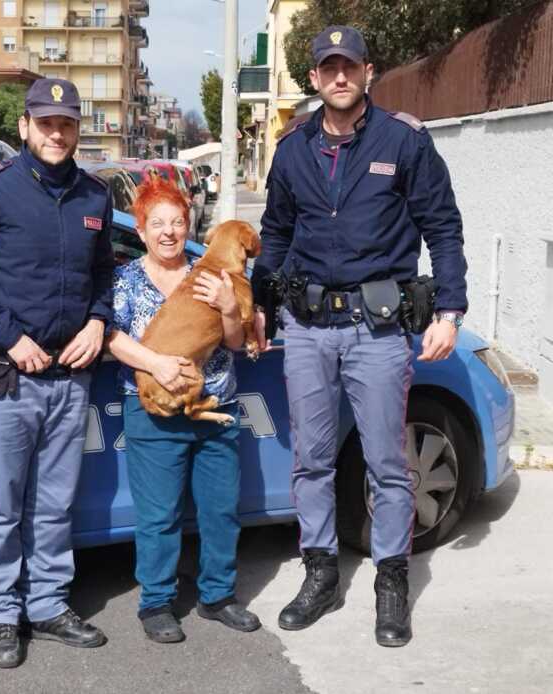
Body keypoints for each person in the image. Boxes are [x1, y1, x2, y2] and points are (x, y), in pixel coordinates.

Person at [251, 25, 468, 647]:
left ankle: (390, 583)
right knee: (312, 460)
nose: (339, 76)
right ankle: (320, 572)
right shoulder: (292, 150)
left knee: (387, 465)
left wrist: (449, 310)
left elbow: (443, 229)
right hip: (309, 328)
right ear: (315, 78)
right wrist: (262, 304)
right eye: (328, 68)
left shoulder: (404, 142)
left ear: (367, 72)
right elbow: (276, 235)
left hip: (377, 332)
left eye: (349, 66)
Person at [0, 78, 115, 669]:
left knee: (56, 504)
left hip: (71, 377)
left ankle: (47, 603)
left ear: (77, 129)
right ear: (25, 128)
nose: (56, 133)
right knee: (3, 506)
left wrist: (97, 320)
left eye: (66, 123)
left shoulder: (95, 196)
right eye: (46, 123)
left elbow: (105, 275)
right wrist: (11, 338)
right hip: (7, 379)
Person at [107, 175, 260, 644]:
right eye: (158, 223)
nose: (169, 232)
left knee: (220, 510)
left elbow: (234, 342)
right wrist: (157, 364)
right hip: (151, 411)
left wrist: (232, 308)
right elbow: (110, 338)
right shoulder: (125, 280)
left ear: (189, 226)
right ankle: (156, 602)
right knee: (159, 515)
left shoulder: (213, 271)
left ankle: (217, 596)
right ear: (141, 230)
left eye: (177, 222)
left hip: (217, 401)